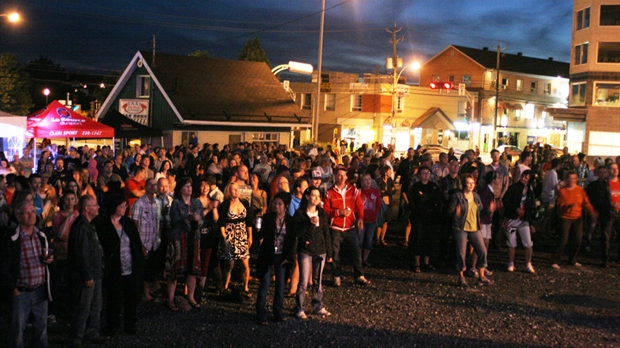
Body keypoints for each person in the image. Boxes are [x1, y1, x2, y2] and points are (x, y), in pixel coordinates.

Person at [0, 202, 53, 348]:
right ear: (18, 217)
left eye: (32, 212)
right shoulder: (12, 239)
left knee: (41, 329)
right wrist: (12, 288)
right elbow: (4, 265)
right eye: (26, 212)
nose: (31, 215)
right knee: (17, 330)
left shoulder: (41, 235)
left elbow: (48, 256)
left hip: (40, 289)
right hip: (21, 291)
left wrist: (49, 260)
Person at [96, 195, 144, 336]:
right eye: (121, 206)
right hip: (114, 268)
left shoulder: (128, 223)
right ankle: (113, 326)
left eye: (125, 206)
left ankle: (130, 324)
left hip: (129, 266)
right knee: (113, 298)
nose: (124, 209)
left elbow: (135, 244)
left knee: (131, 298)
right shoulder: (103, 225)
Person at [67, 195, 106, 347]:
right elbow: (81, 254)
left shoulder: (87, 225)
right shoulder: (82, 227)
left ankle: (91, 332)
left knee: (95, 304)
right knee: (83, 306)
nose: (98, 207)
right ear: (87, 209)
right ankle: (77, 336)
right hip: (88, 274)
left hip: (95, 273)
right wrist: (87, 274)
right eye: (95, 205)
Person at [323, 165, 370, 286]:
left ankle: (359, 275)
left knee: (355, 251)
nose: (341, 178)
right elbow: (326, 210)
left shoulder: (353, 190)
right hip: (336, 228)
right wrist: (339, 212)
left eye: (343, 175)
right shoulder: (329, 192)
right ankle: (337, 276)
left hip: (350, 226)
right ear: (335, 176)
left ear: (346, 176)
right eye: (339, 175)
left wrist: (360, 218)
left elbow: (359, 205)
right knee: (335, 253)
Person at [291, 186, 332, 319]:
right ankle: (299, 307)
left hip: (320, 250)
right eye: (313, 195)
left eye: (318, 196)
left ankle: (317, 305)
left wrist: (329, 251)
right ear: (307, 197)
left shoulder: (321, 212)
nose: (316, 198)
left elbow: (326, 231)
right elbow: (297, 232)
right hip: (305, 250)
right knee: (303, 281)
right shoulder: (300, 213)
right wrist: (309, 223)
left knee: (318, 280)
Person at [255, 192, 294, 325]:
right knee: (265, 283)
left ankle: (277, 310)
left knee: (280, 284)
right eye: (275, 203)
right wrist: (257, 230)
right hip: (268, 254)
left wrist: (289, 257)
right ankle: (260, 311)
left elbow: (292, 240)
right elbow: (261, 236)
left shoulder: (290, 220)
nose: (276, 206)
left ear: (285, 206)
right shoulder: (268, 218)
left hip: (282, 255)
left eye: (280, 204)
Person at [165, 177, 203, 310]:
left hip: (193, 237)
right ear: (181, 188)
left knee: (192, 268)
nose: (189, 188)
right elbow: (174, 220)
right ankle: (170, 298)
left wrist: (197, 220)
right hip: (179, 237)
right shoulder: (176, 203)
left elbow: (201, 219)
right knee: (175, 268)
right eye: (186, 186)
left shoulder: (196, 203)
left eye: (190, 186)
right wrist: (189, 218)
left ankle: (190, 297)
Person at [449, 174, 493, 287]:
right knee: (461, 253)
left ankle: (481, 276)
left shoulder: (476, 196)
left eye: (472, 183)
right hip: (460, 227)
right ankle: (461, 277)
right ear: (464, 184)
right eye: (468, 183)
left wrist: (490, 209)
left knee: (482, 251)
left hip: (474, 228)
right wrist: (456, 211)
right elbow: (449, 211)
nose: (470, 185)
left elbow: (481, 210)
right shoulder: (457, 196)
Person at [552, 170, 598, 269]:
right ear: (567, 180)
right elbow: (560, 206)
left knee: (577, 239)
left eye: (574, 178)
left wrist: (592, 212)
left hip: (577, 217)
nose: (572, 180)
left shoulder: (580, 190)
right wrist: (568, 207)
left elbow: (586, 202)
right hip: (565, 217)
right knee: (563, 239)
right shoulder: (563, 191)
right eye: (570, 178)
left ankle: (572, 259)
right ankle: (556, 260)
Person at [218, 182, 254, 296]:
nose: (236, 191)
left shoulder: (245, 203)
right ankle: (225, 286)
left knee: (245, 263)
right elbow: (221, 223)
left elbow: (249, 221)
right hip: (230, 235)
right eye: (233, 189)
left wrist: (250, 236)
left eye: (237, 189)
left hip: (242, 234)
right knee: (230, 264)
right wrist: (224, 239)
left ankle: (246, 287)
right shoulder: (225, 205)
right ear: (229, 191)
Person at [131, 178, 162, 302]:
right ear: (146, 186)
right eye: (151, 185)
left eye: (155, 185)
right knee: (142, 268)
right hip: (143, 240)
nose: (153, 187)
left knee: (151, 267)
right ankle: (144, 293)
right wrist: (139, 243)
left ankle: (149, 291)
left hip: (154, 241)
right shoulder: (139, 204)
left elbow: (158, 221)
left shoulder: (157, 203)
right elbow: (135, 224)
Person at [409, 166, 442, 272]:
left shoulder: (433, 186)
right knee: (418, 238)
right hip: (419, 216)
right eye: (423, 173)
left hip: (431, 217)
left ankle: (427, 261)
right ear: (419, 175)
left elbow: (436, 199)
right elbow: (416, 200)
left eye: (427, 173)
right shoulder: (416, 186)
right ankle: (417, 262)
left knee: (430, 239)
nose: (425, 175)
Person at [502, 170, 536, 274]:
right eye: (523, 175)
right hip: (512, 218)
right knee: (511, 242)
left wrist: (531, 223)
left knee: (528, 242)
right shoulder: (513, 188)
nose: (524, 178)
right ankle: (511, 262)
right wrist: (515, 209)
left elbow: (530, 208)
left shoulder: (530, 192)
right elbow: (505, 201)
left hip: (523, 219)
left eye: (527, 176)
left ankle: (528, 263)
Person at [194, 177, 219, 303]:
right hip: (196, 235)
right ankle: (190, 288)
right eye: (203, 185)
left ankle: (201, 287)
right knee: (194, 261)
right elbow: (197, 218)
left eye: (207, 186)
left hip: (208, 234)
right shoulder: (195, 201)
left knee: (205, 262)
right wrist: (208, 208)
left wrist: (213, 207)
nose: (205, 188)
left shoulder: (212, 200)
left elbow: (215, 218)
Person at [599, 163, 620, 267]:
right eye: (612, 169)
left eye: (616, 168)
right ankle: (605, 259)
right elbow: (600, 199)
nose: (614, 170)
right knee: (606, 237)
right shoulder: (604, 184)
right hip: (609, 213)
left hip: (619, 212)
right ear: (608, 171)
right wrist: (609, 203)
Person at [360, 173, 382, 267]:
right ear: (362, 182)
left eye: (369, 179)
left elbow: (378, 204)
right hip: (361, 220)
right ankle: (358, 259)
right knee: (360, 240)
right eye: (365, 179)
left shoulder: (376, 191)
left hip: (371, 220)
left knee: (368, 241)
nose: (368, 181)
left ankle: (365, 259)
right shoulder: (359, 192)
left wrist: (375, 214)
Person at [375, 165, 395, 245]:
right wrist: (387, 192)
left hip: (389, 203)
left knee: (386, 221)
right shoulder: (379, 181)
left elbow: (394, 191)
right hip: (381, 203)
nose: (391, 173)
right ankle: (377, 238)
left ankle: (382, 238)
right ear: (386, 172)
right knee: (380, 221)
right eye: (390, 171)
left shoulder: (390, 181)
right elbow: (379, 192)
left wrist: (386, 192)